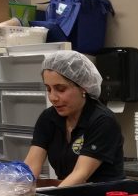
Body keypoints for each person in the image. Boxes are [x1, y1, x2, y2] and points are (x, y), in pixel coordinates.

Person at [24, 50, 124, 187]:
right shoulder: (48, 118)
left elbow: (80, 174)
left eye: (61, 89)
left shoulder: (102, 121)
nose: (53, 97)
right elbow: (30, 166)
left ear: (83, 87)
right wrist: (16, 193)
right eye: (48, 89)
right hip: (68, 193)